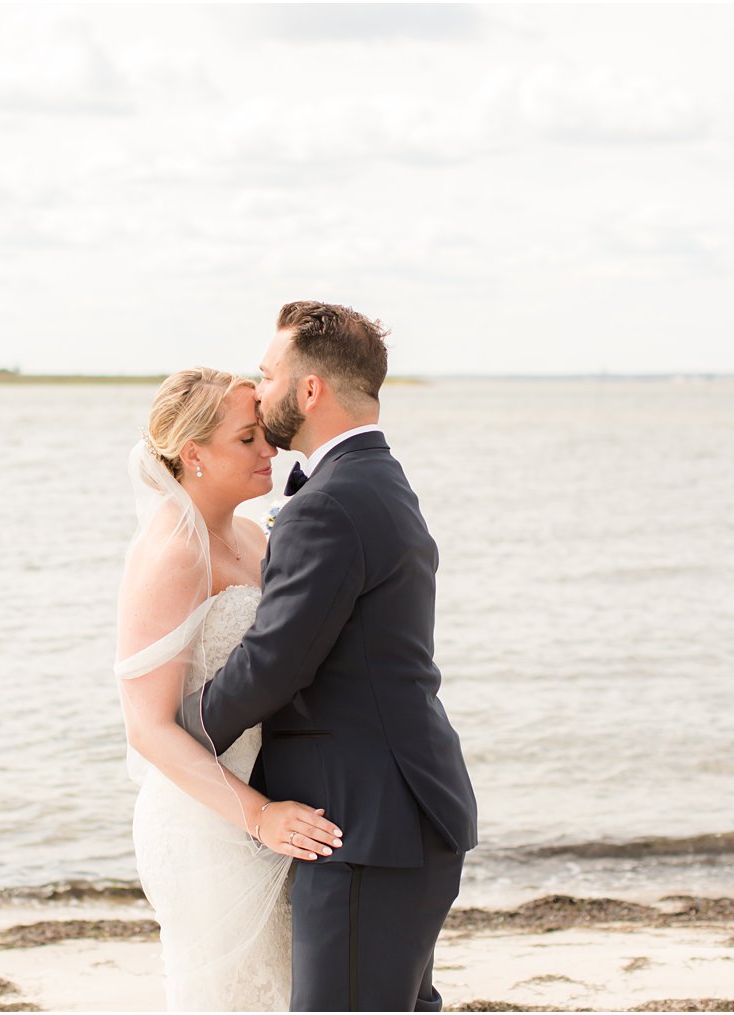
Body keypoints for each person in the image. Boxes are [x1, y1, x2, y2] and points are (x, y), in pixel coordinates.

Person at [191, 301, 479, 1011]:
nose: (259, 391)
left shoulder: (330, 501)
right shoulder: (374, 478)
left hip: (365, 828)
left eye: (268, 373)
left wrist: (182, 737)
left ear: (310, 389)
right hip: (395, 815)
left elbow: (274, 661)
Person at [115, 368, 341, 1010]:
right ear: (193, 455)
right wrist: (257, 815)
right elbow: (147, 725)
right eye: (249, 439)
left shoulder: (253, 536)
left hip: (275, 796)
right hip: (208, 820)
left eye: (265, 434)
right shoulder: (173, 553)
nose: (271, 449)